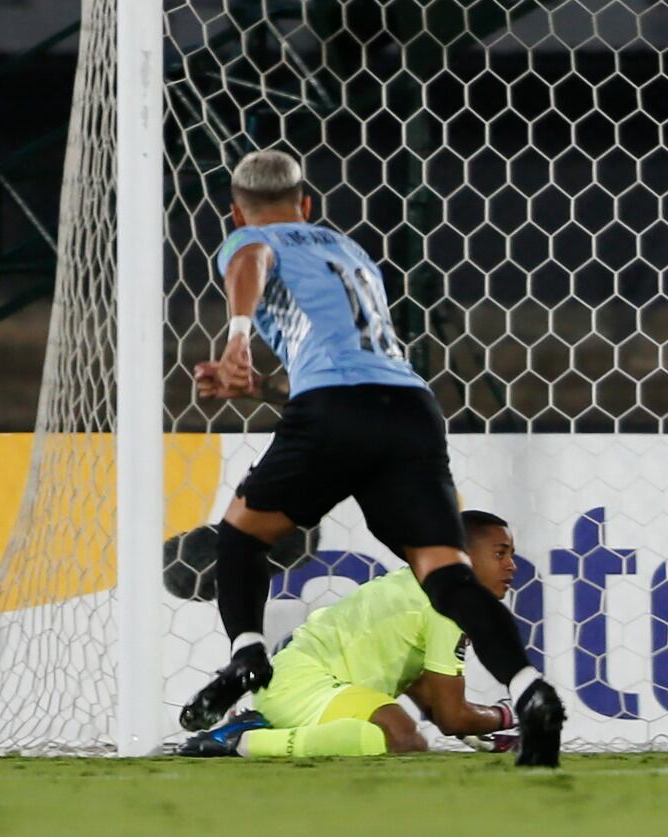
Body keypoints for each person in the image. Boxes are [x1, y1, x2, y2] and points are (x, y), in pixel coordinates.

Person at [180, 149, 563, 767]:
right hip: (411, 409)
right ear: (308, 204)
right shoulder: (350, 252)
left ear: (236, 213)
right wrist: (270, 389)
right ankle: (530, 692)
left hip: (334, 408)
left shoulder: (247, 242)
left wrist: (237, 341)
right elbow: (352, 370)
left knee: (242, 538)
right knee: (446, 577)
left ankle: (249, 655)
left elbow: (254, 258)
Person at [179, 511, 523, 758]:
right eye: (500, 554)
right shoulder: (450, 605)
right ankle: (247, 741)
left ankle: (262, 727)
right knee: (403, 739)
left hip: (296, 685)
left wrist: (482, 732)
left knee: (382, 736)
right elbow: (450, 716)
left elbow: (426, 692)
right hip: (306, 684)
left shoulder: (423, 584)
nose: (512, 566)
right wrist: (511, 713)